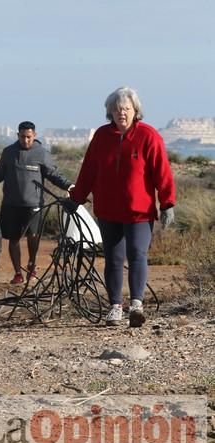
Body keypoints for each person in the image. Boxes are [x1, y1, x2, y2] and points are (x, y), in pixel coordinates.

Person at [68, 87, 175, 327]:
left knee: (138, 254)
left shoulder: (149, 136)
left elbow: (162, 172)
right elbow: (89, 170)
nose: (121, 114)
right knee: (114, 260)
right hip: (108, 210)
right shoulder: (102, 136)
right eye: (116, 110)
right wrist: (76, 198)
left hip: (138, 211)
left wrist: (167, 203)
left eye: (126, 109)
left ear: (135, 110)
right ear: (110, 113)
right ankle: (115, 307)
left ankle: (136, 305)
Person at [0, 121, 73, 285]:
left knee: (33, 237)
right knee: (13, 239)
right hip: (11, 204)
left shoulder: (42, 153)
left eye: (29, 137)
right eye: (22, 137)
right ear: (18, 136)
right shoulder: (9, 152)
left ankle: (31, 265)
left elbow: (53, 174)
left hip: (33, 204)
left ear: (34, 135)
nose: (26, 140)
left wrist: (69, 185)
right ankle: (17, 273)